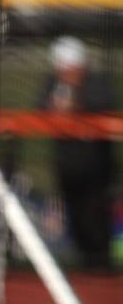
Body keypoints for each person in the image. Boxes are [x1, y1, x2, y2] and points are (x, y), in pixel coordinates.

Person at [39, 36, 117, 269]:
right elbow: (41, 109)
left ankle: (101, 266)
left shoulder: (96, 84)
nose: (65, 72)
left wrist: (75, 100)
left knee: (95, 217)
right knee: (74, 217)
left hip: (95, 168)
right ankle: (85, 264)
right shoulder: (52, 84)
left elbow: (101, 108)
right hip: (67, 165)